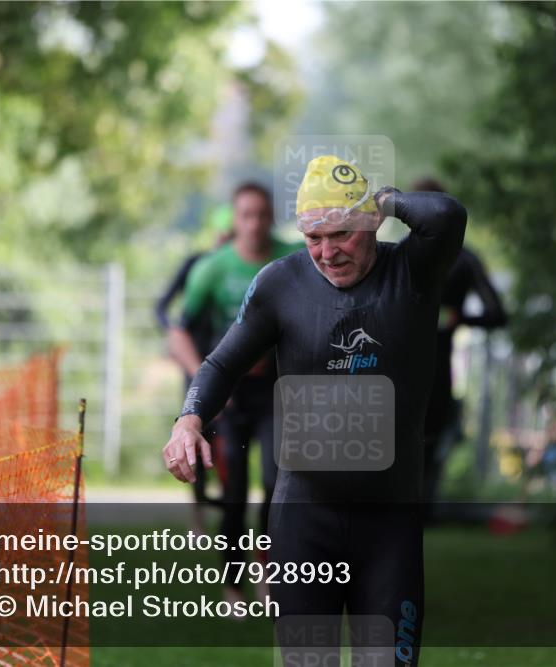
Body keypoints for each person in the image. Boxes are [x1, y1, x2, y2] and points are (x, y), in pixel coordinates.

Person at [163, 155, 467, 666]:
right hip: (303, 520)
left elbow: (447, 214)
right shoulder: (280, 284)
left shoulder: (413, 271)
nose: (327, 253)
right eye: (313, 237)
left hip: (388, 524)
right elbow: (221, 363)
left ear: (370, 221)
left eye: (341, 233)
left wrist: (383, 199)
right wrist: (189, 419)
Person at [167, 182, 300, 607]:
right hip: (230, 394)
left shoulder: (292, 259)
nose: (255, 223)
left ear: (271, 217)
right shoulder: (213, 267)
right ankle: (233, 585)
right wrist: (204, 379)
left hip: (277, 391)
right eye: (247, 215)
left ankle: (268, 572)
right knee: (235, 489)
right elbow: (178, 330)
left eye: (262, 214)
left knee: (278, 483)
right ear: (235, 218)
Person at [411, 177, 507, 514]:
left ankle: (425, 508)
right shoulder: (393, 256)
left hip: (438, 364)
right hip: (396, 361)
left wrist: (459, 318)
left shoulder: (464, 259)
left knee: (431, 437)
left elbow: (498, 314)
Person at [154, 205, 234, 531]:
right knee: (196, 432)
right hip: (194, 364)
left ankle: (229, 504)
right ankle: (199, 512)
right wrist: (174, 337)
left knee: (227, 437)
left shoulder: (239, 271)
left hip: (228, 363)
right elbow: (162, 307)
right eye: (223, 235)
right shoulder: (196, 265)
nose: (226, 241)